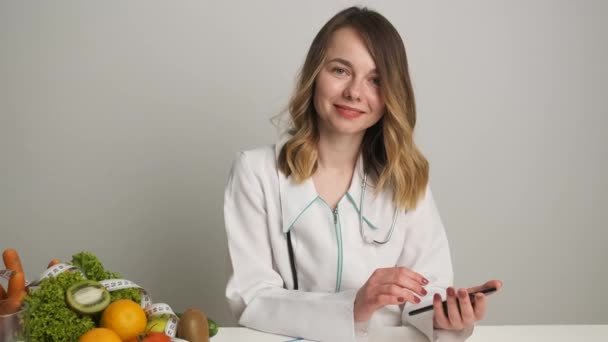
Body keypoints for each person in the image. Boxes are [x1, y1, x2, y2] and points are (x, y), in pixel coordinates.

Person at [223, 6, 502, 342]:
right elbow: (251, 298)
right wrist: (352, 307)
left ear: (391, 95)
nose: (355, 92)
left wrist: (447, 316)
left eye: (375, 80)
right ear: (315, 74)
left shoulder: (407, 179)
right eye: (340, 70)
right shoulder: (257, 173)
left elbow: (425, 294)